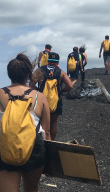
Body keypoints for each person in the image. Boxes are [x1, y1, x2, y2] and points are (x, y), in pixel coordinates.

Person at [0, 53, 51, 192]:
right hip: (34, 147)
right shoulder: (39, 97)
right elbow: (46, 131)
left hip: (6, 145)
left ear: (9, 74)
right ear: (28, 74)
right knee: (31, 188)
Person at [31, 52, 73, 140]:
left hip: (41, 100)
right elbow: (70, 85)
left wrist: (38, 91)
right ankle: (51, 142)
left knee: (40, 121)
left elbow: (31, 84)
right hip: (56, 100)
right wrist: (61, 91)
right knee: (53, 122)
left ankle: (40, 140)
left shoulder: (39, 70)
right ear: (57, 62)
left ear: (48, 60)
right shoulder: (61, 72)